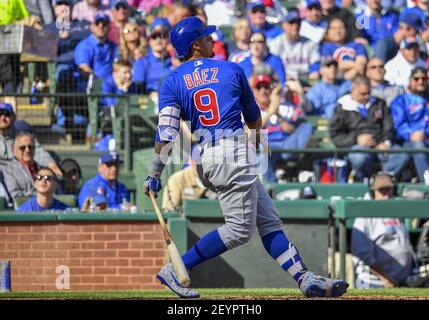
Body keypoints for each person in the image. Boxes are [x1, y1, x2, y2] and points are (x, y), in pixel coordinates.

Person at [143, 16, 348, 299]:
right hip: (233, 151)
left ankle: (304, 278)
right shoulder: (231, 69)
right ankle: (175, 269)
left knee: (269, 221)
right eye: (205, 38)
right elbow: (254, 120)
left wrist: (155, 173)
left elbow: (166, 133)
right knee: (239, 231)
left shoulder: (171, 81)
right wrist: (258, 146)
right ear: (195, 46)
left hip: (205, 157)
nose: (211, 40)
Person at [329, 75, 409, 181]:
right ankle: (365, 183)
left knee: (402, 155)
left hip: (380, 145)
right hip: (357, 146)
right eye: (363, 94)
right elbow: (335, 135)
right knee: (359, 158)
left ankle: (380, 181)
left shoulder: (380, 103)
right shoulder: (342, 107)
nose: (367, 96)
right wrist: (356, 139)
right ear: (353, 89)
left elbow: (388, 127)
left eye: (368, 93)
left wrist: (387, 142)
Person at [352, 172, 415, 288]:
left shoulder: (396, 210)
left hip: (401, 281)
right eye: (382, 190)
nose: (386, 194)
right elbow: (362, 254)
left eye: (388, 189)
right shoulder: (364, 216)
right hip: (375, 283)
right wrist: (384, 277)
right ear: (373, 192)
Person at [250, 72, 313, 182]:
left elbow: (291, 130)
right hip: (267, 146)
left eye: (266, 87)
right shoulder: (250, 109)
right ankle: (271, 188)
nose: (263, 91)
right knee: (260, 147)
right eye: (259, 87)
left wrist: (278, 115)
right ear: (253, 91)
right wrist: (271, 111)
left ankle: (293, 160)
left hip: (286, 145)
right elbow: (251, 131)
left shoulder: (283, 107)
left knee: (306, 126)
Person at [0, 102, 63, 177]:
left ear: (14, 118)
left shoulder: (22, 136)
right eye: (0, 114)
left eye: (7, 114)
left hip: (17, 176)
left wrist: (52, 165)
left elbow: (38, 152)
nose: (3, 118)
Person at [391, 67, 429, 182]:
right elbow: (399, 125)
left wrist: (425, 134)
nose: (421, 81)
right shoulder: (401, 100)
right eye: (416, 78)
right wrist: (411, 135)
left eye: (424, 78)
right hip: (408, 142)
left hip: (426, 139)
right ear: (410, 81)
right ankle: (426, 184)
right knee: (418, 146)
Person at [268, 8, 320, 82]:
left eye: (297, 22)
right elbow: (273, 66)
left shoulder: (309, 43)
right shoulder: (275, 43)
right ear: (283, 25)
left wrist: (314, 72)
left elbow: (315, 64)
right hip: (284, 81)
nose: (295, 26)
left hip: (306, 80)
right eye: (291, 22)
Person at [132, 17, 174, 95]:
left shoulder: (175, 62)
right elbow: (137, 90)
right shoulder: (141, 63)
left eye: (163, 36)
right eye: (154, 36)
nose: (158, 40)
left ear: (169, 39)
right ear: (149, 40)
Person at [74, 12, 117, 81]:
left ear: (109, 27)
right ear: (91, 26)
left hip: (112, 85)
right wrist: (98, 82)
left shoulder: (113, 45)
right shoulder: (84, 46)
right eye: (97, 23)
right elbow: (84, 69)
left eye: (104, 23)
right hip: (93, 86)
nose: (101, 26)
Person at [1, 132, 38, 198]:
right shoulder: (8, 170)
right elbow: (14, 195)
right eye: (22, 147)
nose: (27, 150)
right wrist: (40, 193)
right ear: (15, 151)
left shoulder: (43, 169)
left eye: (31, 147)